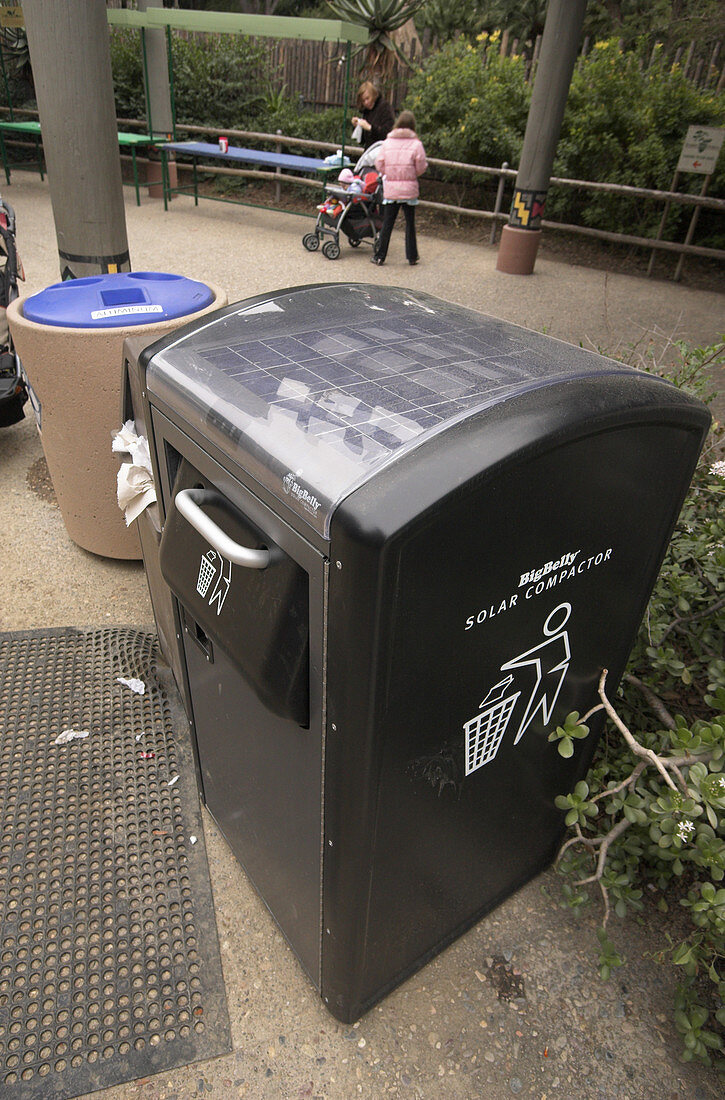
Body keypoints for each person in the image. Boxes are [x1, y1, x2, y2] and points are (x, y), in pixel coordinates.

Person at [371, 110, 427, 266]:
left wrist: (389, 173)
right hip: (409, 191)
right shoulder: (416, 144)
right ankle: (412, 256)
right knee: (410, 223)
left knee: (388, 223)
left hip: (392, 190)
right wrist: (410, 175)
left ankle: (380, 256)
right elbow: (421, 166)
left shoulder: (388, 143)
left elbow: (379, 164)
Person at [351, 81, 394, 151]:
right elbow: (362, 141)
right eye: (363, 101)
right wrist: (358, 127)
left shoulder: (385, 108)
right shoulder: (366, 112)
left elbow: (388, 133)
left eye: (367, 98)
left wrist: (370, 128)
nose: (366, 102)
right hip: (369, 153)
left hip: (383, 152)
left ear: (373, 95)